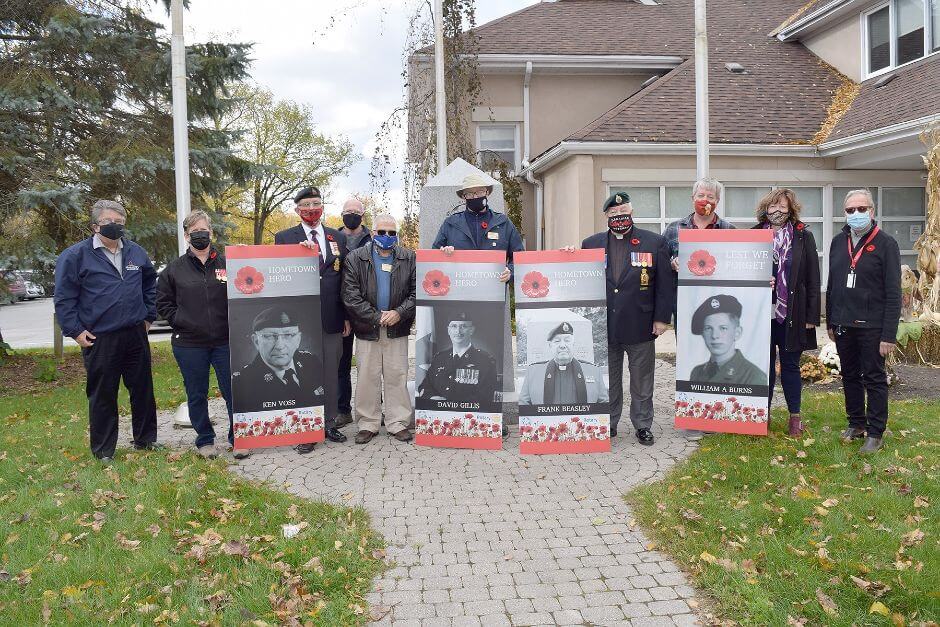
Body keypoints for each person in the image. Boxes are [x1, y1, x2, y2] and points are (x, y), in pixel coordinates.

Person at [53, 199, 161, 464]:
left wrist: (148, 316)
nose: (115, 226)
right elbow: (64, 298)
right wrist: (75, 331)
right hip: (100, 338)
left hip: (135, 334)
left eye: (120, 222)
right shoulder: (75, 256)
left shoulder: (136, 253)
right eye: (108, 222)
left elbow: (150, 284)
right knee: (103, 394)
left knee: (143, 390)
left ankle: (145, 441)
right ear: (94, 226)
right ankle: (103, 450)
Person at [432, 172, 524, 435]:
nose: (474, 197)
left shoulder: (503, 223)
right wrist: (444, 252)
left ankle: (491, 418)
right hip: (459, 298)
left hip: (492, 301)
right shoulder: (452, 223)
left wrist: (511, 271)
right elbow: (434, 252)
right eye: (469, 194)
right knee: (458, 360)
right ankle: (457, 416)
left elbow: (518, 256)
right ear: (464, 198)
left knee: (487, 360)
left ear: (487, 193)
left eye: (478, 192)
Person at [580, 192, 673, 444]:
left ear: (631, 214)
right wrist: (568, 255)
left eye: (623, 213)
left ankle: (643, 425)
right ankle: (608, 423)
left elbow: (664, 284)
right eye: (613, 214)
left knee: (642, 381)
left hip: (641, 324)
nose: (619, 218)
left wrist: (662, 318)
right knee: (609, 379)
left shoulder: (654, 242)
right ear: (606, 217)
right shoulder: (590, 244)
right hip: (604, 325)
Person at [156, 211, 248, 459]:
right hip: (189, 344)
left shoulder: (228, 264)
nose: (200, 235)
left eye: (204, 230)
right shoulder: (173, 270)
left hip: (224, 341)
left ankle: (237, 437)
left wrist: (245, 256)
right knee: (197, 393)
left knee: (233, 391)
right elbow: (162, 303)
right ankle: (205, 439)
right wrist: (182, 321)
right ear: (186, 236)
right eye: (194, 231)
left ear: (211, 233)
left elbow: (246, 290)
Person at [274, 186, 349, 450]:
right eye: (305, 205)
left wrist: (346, 316)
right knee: (303, 372)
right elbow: (279, 278)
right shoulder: (284, 238)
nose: (311, 209)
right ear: (297, 210)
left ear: (323, 207)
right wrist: (299, 252)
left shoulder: (337, 237)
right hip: (298, 322)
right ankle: (305, 428)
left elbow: (345, 281)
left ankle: (329, 422)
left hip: (332, 318)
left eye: (316, 203)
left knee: (330, 371)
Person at [827, 189, 901, 454]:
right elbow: (833, 283)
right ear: (844, 213)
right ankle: (856, 423)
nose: (856, 214)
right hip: (844, 323)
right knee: (849, 375)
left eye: (861, 209)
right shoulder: (838, 242)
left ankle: (875, 432)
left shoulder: (886, 244)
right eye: (850, 210)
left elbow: (894, 293)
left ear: (872, 210)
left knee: (874, 378)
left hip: (873, 326)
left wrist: (888, 335)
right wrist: (830, 322)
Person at [342, 213, 416, 444]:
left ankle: (398, 423)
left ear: (397, 235)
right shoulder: (356, 258)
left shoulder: (408, 257)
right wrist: (377, 317)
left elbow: (416, 292)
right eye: (382, 232)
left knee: (397, 375)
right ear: (373, 233)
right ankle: (367, 423)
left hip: (397, 326)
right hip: (368, 328)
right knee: (367, 377)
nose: (387, 236)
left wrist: (399, 313)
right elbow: (350, 296)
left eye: (392, 233)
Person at [752, 189, 820, 437]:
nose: (777, 210)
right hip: (760, 313)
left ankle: (794, 418)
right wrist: (759, 281)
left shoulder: (803, 237)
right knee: (765, 366)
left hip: (793, 313)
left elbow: (813, 278)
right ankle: (762, 416)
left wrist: (812, 317)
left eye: (782, 206)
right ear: (765, 209)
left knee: (790, 365)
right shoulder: (754, 235)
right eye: (772, 206)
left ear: (791, 209)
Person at [663, 178, 735, 325]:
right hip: (684, 304)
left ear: (717, 200)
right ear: (693, 198)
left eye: (710, 197)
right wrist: (671, 264)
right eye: (700, 195)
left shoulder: (729, 230)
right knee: (686, 347)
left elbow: (736, 266)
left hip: (719, 303)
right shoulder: (673, 229)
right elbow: (660, 263)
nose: (705, 200)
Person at [231, 307, 325, 411]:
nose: (280, 346)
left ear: (298, 339)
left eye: (288, 335)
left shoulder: (311, 363)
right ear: (256, 341)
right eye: (270, 336)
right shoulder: (243, 382)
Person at [336, 198, 373, 427]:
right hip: (343, 310)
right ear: (341, 214)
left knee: (371, 363)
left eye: (356, 211)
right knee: (342, 363)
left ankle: (373, 408)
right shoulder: (333, 238)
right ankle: (343, 409)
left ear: (363, 214)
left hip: (370, 309)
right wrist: (343, 315)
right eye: (347, 211)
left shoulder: (375, 237)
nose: (352, 214)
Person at [519, 322, 609, 405]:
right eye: (557, 341)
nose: (562, 345)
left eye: (567, 340)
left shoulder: (594, 371)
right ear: (550, 346)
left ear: (573, 344)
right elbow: (524, 404)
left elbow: (603, 404)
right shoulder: (533, 372)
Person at [418, 312, 498, 403]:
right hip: (438, 411)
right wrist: (433, 398)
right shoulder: (439, 358)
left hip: (470, 413)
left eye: (463, 326)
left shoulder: (484, 360)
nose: (458, 331)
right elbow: (425, 386)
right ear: (448, 330)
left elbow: (486, 394)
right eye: (454, 326)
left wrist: (450, 404)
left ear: (471, 330)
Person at [689, 294, 768, 386]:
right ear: (702, 334)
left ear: (737, 333)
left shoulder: (754, 377)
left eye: (723, 328)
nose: (714, 336)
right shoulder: (697, 372)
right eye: (708, 328)